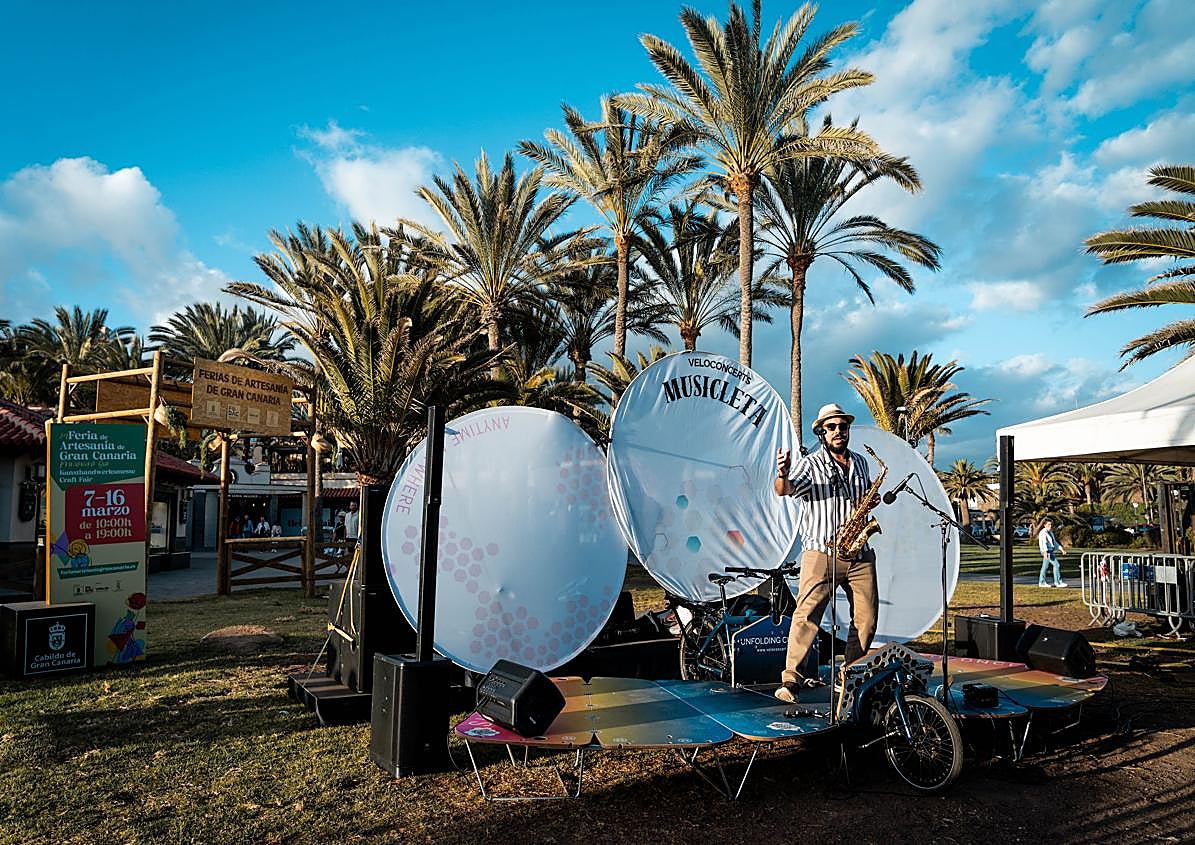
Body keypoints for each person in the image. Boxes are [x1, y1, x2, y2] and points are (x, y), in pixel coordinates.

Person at [772, 402, 880, 703]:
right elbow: (785, 489)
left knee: (867, 618)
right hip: (822, 551)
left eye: (842, 426)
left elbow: (863, 496)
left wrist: (870, 501)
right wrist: (781, 473)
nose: (837, 431)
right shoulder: (811, 464)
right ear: (821, 432)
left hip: (859, 552)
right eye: (831, 427)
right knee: (807, 615)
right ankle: (790, 680)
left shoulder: (860, 462)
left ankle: (851, 676)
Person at [1037, 518, 1066, 587]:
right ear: (1044, 525)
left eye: (1051, 524)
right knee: (1056, 565)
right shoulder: (1043, 533)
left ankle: (1042, 582)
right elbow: (1043, 543)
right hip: (1047, 551)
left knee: (1045, 567)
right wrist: (1045, 552)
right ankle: (1057, 582)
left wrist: (1061, 549)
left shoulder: (1050, 532)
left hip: (1050, 551)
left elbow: (1054, 543)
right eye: (1048, 524)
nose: (1050, 526)